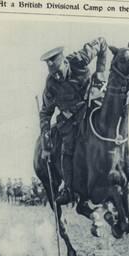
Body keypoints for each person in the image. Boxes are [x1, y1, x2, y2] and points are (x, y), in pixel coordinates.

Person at [39, 38, 108, 204]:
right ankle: (69, 190)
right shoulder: (51, 84)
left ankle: (123, 166)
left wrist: (100, 73)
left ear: (65, 62)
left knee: (109, 122)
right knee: (67, 149)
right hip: (69, 119)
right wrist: (46, 145)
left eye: (59, 71)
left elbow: (102, 43)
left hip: (91, 104)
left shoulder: (79, 59)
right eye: (53, 73)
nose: (57, 76)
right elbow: (45, 114)